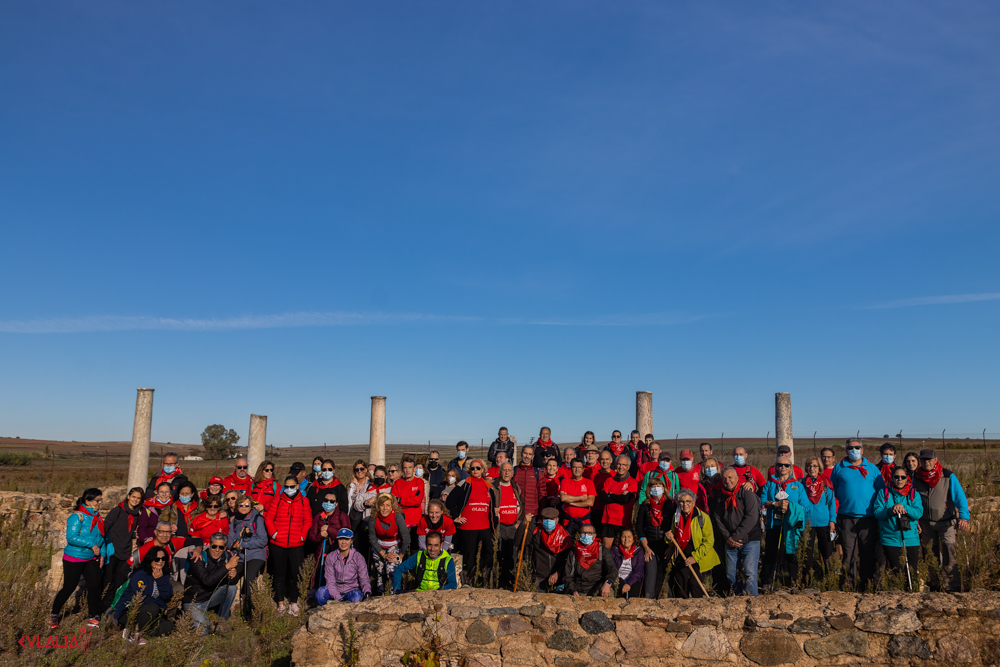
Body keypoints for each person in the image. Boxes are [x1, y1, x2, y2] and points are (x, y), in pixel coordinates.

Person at [913, 448, 970, 592]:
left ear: (935, 460)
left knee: (949, 552)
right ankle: (935, 585)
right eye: (923, 460)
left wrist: (963, 516)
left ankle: (952, 587)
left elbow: (960, 497)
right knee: (931, 556)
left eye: (929, 459)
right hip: (926, 524)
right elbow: (912, 500)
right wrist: (916, 521)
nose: (926, 462)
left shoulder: (947, 476)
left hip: (946, 523)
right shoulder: (916, 477)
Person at [830, 438, 883, 591]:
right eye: (850, 448)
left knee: (867, 552)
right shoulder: (839, 468)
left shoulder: (872, 469)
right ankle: (848, 584)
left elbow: (881, 492)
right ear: (846, 450)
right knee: (848, 552)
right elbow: (832, 493)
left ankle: (866, 583)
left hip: (868, 518)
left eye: (857, 447)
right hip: (846, 517)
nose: (854, 450)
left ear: (862, 449)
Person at [51, 488, 107, 629]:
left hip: (91, 558)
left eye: (101, 500)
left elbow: (102, 537)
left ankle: (93, 616)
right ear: (87, 501)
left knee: (94, 586)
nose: (100, 503)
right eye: (97, 500)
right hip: (74, 557)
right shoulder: (77, 517)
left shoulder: (98, 517)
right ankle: (54, 614)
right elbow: (72, 537)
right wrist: (91, 544)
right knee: (69, 587)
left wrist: (102, 554)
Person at [266, 475, 311, 615]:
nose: (289, 489)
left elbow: (308, 520)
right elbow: (269, 518)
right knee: (279, 573)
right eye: (287, 486)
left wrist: (302, 536)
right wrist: (274, 534)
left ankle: (293, 602)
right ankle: (280, 604)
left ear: (297, 486)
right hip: (278, 543)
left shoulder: (304, 501)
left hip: (296, 544)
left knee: (295, 574)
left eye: (292, 486)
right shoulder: (277, 500)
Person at [712, 468, 761, 596]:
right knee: (731, 573)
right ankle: (737, 597)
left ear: (737, 477)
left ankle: (752, 600)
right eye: (724, 479)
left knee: (750, 572)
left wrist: (735, 536)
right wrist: (728, 537)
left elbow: (752, 517)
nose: (727, 481)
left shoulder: (746, 493)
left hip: (750, 539)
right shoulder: (721, 496)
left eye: (730, 477)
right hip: (730, 540)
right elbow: (718, 517)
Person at [760, 456, 806, 587]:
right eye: (780, 465)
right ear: (776, 467)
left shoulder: (797, 485)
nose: (783, 468)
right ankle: (766, 581)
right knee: (770, 552)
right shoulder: (770, 484)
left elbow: (804, 504)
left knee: (792, 552)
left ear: (790, 467)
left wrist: (791, 507)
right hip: (774, 523)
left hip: (791, 524)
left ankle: (794, 581)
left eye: (786, 465)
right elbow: (763, 501)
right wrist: (776, 504)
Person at [664, 489, 718, 598]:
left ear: (693, 502)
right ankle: (684, 609)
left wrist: (695, 557)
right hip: (682, 554)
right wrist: (669, 539)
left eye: (688, 501)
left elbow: (709, 541)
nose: (685, 504)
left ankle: (699, 609)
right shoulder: (676, 517)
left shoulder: (702, 517)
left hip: (700, 556)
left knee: (695, 584)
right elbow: (673, 537)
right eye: (682, 502)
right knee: (680, 583)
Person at [183, 533, 239, 635]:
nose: (217, 550)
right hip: (194, 602)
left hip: (210, 598)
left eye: (221, 547)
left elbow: (232, 582)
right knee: (204, 630)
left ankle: (222, 621)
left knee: (232, 588)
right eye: (214, 546)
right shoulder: (198, 558)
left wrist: (234, 575)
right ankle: (193, 621)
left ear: (225, 548)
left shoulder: (226, 557)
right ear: (209, 545)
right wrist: (226, 567)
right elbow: (207, 581)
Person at [115, 547, 174, 644]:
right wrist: (162, 605)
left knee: (166, 629)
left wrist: (160, 580)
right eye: (157, 559)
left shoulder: (163, 574)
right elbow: (142, 597)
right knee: (153, 607)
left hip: (146, 612)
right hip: (129, 610)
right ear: (150, 560)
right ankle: (132, 633)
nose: (160, 561)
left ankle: (142, 629)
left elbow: (167, 595)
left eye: (163, 559)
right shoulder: (140, 574)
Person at [875, 466, 923, 584]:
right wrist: (891, 510)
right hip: (890, 539)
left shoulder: (913, 494)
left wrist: (904, 507)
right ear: (892, 478)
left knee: (912, 571)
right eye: (896, 477)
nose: (899, 480)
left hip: (911, 539)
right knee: (898, 571)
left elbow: (918, 513)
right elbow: (877, 513)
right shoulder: (884, 493)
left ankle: (913, 593)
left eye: (903, 477)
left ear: (907, 479)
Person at [101, 486, 143, 612]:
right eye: (134, 496)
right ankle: (102, 609)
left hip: (125, 552)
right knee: (108, 582)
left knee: (120, 582)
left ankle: (114, 608)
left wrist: (134, 535)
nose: (135, 500)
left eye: (139, 498)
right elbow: (105, 528)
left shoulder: (136, 515)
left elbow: (128, 531)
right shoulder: (117, 511)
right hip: (113, 551)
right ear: (128, 496)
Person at [453, 459, 495, 585]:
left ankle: (484, 577)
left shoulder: (488, 486)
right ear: (469, 470)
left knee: (489, 551)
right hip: (468, 526)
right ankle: (469, 580)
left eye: (478, 468)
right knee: (470, 555)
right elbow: (450, 502)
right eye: (473, 468)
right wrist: (455, 517)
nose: (475, 470)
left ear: (483, 470)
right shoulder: (464, 484)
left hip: (484, 525)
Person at [228, 493, 268, 620]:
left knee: (249, 578)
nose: (244, 507)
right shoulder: (234, 521)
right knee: (229, 576)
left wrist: (244, 544)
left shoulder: (258, 519)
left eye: (247, 505)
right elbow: (230, 539)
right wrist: (234, 544)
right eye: (241, 505)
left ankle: (251, 612)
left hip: (256, 554)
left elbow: (263, 540)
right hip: (239, 555)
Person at [634, 478, 672, 599]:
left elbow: (676, 526)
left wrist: (672, 546)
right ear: (649, 489)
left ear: (664, 488)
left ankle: (667, 600)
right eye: (653, 486)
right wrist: (645, 547)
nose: (656, 488)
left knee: (666, 575)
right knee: (650, 575)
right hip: (650, 546)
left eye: (659, 485)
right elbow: (639, 527)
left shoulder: (670, 504)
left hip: (667, 546)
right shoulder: (644, 506)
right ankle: (648, 599)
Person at [492, 461, 527, 589]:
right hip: (499, 526)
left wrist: (518, 523)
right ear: (499, 472)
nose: (507, 472)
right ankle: (498, 582)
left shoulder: (515, 487)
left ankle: (510, 583)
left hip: (513, 527)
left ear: (512, 473)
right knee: (498, 555)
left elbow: (522, 505)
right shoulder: (494, 486)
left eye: (509, 470)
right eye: (504, 470)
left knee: (511, 556)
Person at [308, 487, 352, 590]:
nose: (328, 503)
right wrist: (320, 535)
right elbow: (312, 536)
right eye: (326, 500)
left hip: (337, 551)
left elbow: (346, 536)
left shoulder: (342, 516)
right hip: (321, 551)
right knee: (320, 572)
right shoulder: (319, 516)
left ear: (336, 503)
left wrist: (329, 529)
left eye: (332, 501)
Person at [800, 457, 836, 576]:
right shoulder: (801, 484)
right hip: (807, 523)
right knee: (807, 554)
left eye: (815, 466)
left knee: (827, 553)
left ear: (819, 468)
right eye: (809, 466)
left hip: (824, 522)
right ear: (806, 468)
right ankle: (806, 580)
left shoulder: (826, 483)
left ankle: (828, 578)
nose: (812, 468)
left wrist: (832, 520)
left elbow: (832, 504)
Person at [316, 529, 371, 604]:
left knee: (357, 597)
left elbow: (364, 579)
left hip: (352, 590)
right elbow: (330, 581)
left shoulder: (358, 557)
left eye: (347, 539)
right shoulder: (331, 557)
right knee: (320, 593)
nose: (343, 542)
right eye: (341, 539)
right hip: (335, 591)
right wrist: (339, 598)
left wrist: (367, 592)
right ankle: (324, 613)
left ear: (351, 541)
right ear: (337, 540)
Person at [369, 493, 410, 595]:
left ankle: (394, 591)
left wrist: (400, 557)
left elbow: (407, 538)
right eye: (382, 505)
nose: (385, 508)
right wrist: (383, 554)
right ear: (378, 506)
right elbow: (372, 538)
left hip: (394, 545)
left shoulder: (397, 517)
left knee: (391, 569)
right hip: (379, 547)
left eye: (388, 505)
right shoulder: (373, 518)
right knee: (380, 571)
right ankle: (380, 592)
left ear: (392, 506)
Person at [393, 531, 457, 592]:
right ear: (426, 544)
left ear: (441, 545)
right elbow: (399, 569)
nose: (432, 549)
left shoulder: (448, 560)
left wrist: (440, 590)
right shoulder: (419, 556)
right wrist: (397, 589)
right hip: (419, 593)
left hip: (439, 594)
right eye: (430, 545)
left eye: (436, 545)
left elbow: (453, 584)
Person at [564, 524, 618, 597]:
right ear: (579, 535)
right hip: (578, 591)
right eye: (583, 533)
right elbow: (568, 576)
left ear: (594, 535)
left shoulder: (602, 550)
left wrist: (608, 583)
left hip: (597, 589)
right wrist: (573, 590)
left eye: (589, 533)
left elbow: (613, 569)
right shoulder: (574, 551)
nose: (586, 535)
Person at [600, 455, 637, 548]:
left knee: (623, 550)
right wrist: (619, 496)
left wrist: (610, 494)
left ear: (628, 467)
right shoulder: (609, 480)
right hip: (608, 520)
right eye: (619, 464)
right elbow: (603, 498)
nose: (621, 467)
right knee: (606, 550)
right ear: (616, 465)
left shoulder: (632, 482)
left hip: (623, 522)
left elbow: (625, 499)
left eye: (624, 465)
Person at [532, 507, 572, 591]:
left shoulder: (565, 536)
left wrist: (558, 573)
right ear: (542, 520)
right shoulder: (536, 532)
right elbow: (517, 543)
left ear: (557, 520)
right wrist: (524, 523)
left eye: (552, 519)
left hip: (559, 578)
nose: (549, 521)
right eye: (546, 519)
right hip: (539, 578)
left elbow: (569, 560)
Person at [392, 456, 427, 544]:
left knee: (414, 548)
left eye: (410, 467)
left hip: (415, 522)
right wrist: (409, 500)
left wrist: (400, 500)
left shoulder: (419, 482)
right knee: (401, 548)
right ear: (402, 469)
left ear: (414, 468)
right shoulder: (397, 483)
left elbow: (417, 501)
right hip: (401, 521)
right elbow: (394, 502)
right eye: (405, 467)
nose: (408, 470)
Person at [559, 459, 596, 535]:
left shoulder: (589, 483)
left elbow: (590, 502)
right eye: (574, 467)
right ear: (571, 468)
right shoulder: (565, 482)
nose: (577, 469)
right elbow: (563, 498)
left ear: (583, 469)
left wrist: (571, 503)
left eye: (579, 467)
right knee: (567, 545)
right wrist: (581, 498)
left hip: (585, 522)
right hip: (568, 522)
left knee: (585, 544)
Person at [347, 459, 374, 556]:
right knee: (354, 544)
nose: (359, 471)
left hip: (365, 518)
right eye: (357, 469)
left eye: (362, 469)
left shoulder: (371, 485)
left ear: (366, 470)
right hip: (352, 518)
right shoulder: (350, 485)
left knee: (365, 546)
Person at [612, 529, 644, 599]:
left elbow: (639, 570)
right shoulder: (615, 550)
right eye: (623, 536)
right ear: (620, 538)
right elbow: (611, 567)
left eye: (629, 536)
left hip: (633, 579)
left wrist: (628, 584)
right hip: (618, 578)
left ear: (633, 539)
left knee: (633, 595)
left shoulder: (639, 551)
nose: (626, 539)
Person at [513, 445, 540, 518]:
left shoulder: (537, 473)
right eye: (525, 453)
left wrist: (540, 514)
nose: (527, 456)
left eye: (530, 454)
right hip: (516, 513)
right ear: (521, 454)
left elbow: (542, 494)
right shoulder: (514, 471)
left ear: (533, 456)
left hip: (532, 514)